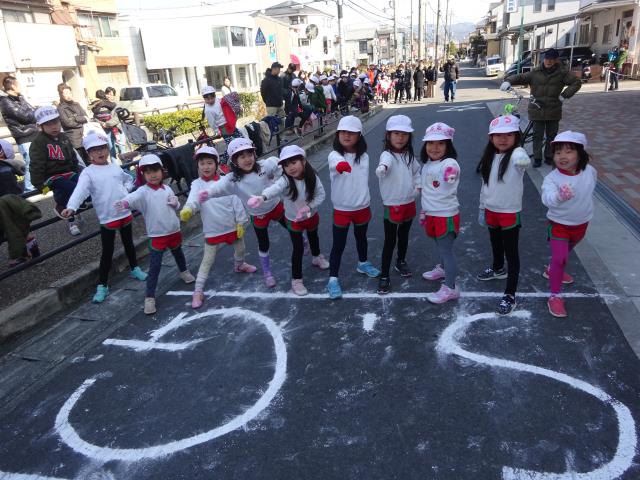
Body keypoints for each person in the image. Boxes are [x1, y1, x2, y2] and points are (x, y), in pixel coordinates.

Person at [62, 132, 147, 303]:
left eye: (102, 148)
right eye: (95, 150)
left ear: (108, 149)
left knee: (129, 244)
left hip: (125, 213)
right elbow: (80, 191)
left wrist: (126, 191)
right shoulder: (88, 173)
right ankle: (102, 285)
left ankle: (135, 268)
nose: (100, 152)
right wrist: (71, 207)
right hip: (107, 218)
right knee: (107, 252)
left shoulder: (115, 167)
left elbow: (127, 179)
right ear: (89, 154)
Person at [198, 138, 287, 288]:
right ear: (234, 160)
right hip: (258, 215)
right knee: (264, 243)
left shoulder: (264, 165)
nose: (247, 159)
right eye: (242, 156)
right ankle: (267, 273)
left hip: (276, 205)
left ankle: (304, 243)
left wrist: (277, 179)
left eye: (250, 154)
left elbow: (279, 166)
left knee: (293, 227)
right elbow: (219, 186)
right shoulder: (233, 179)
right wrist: (208, 193)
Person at [114, 154, 195, 315]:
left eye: (155, 171)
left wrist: (176, 203)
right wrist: (124, 203)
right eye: (148, 172)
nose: (152, 175)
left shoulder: (167, 188)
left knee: (178, 253)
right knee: (155, 266)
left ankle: (184, 271)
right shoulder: (143, 191)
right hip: (157, 236)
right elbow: (132, 197)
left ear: (162, 171)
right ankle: (149, 297)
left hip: (174, 230)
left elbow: (176, 204)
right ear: (142, 175)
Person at [179, 146, 256, 309]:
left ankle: (239, 265)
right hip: (212, 230)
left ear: (216, 164)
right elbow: (193, 199)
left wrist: (240, 222)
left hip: (231, 226)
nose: (206, 167)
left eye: (209, 163)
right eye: (202, 163)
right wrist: (188, 209)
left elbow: (236, 201)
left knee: (241, 249)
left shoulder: (226, 181)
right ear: (198, 166)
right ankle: (198, 290)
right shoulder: (197, 184)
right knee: (207, 260)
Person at [249, 145, 329, 296]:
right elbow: (275, 189)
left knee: (314, 237)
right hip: (294, 220)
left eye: (293, 162)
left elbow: (321, 194)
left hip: (311, 215)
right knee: (298, 248)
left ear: (303, 161)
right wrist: (262, 197)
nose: (290, 168)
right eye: (286, 165)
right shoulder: (285, 180)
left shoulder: (312, 176)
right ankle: (296, 280)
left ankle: (317, 257)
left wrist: (309, 207)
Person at [476, 115, 531, 315]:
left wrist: (522, 157)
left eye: (509, 135)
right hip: (491, 210)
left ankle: (510, 294)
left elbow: (521, 160)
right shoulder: (490, 157)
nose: (503, 139)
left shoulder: (517, 154)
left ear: (516, 136)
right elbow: (485, 185)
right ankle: (498, 269)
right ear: (491, 138)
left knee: (511, 253)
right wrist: (482, 207)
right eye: (498, 135)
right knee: (495, 244)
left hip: (509, 213)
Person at [541, 131, 596, 318]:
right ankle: (555, 296)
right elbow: (547, 198)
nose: (562, 156)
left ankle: (552, 269)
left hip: (581, 224)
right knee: (560, 258)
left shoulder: (590, 171)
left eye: (569, 151)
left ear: (580, 153)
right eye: (558, 152)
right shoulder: (552, 178)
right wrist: (559, 196)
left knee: (566, 252)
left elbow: (589, 191)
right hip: (559, 224)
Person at [326, 116, 380, 299]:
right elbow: (335, 164)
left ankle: (363, 263)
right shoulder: (334, 155)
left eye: (351, 132)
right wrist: (341, 165)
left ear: (359, 136)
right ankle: (333, 279)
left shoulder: (364, 156)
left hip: (362, 207)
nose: (346, 135)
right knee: (338, 245)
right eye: (343, 132)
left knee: (361, 238)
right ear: (338, 134)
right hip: (342, 209)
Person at [502, 47, 581, 168]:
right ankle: (537, 158)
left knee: (551, 136)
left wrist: (564, 95)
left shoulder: (562, 73)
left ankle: (549, 156)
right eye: (547, 59)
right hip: (537, 108)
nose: (548, 61)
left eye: (551, 59)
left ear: (556, 60)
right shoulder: (536, 72)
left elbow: (576, 82)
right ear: (544, 59)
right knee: (537, 136)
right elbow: (521, 77)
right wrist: (508, 81)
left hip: (553, 109)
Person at [375, 115, 420, 295]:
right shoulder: (387, 154)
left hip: (409, 202)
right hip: (392, 204)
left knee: (404, 236)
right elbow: (384, 164)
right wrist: (382, 169)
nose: (400, 137)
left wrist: (418, 186)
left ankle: (400, 261)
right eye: (396, 133)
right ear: (388, 135)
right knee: (390, 240)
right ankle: (384, 274)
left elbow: (417, 172)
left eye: (404, 134)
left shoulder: (409, 156)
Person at [419, 122, 461, 304]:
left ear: (448, 145)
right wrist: (424, 211)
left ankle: (451, 288)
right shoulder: (428, 164)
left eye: (440, 143)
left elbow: (451, 171)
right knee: (440, 246)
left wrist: (450, 174)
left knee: (446, 250)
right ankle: (443, 269)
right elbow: (428, 190)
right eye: (430, 143)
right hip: (432, 213)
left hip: (445, 215)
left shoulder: (449, 163)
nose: (434, 147)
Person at [29, 105, 83, 236]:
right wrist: (40, 185)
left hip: (68, 172)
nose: (53, 127)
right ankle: (68, 217)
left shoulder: (64, 137)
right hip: (52, 176)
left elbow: (72, 155)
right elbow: (36, 165)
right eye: (48, 124)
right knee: (69, 188)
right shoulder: (38, 142)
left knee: (82, 184)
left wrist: (77, 171)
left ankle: (77, 207)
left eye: (55, 122)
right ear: (41, 126)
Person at [0, 138, 41, 266]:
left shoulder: (4, 169)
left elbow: (6, 190)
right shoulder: (15, 166)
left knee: (16, 232)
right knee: (23, 231)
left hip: (7, 206)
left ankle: (21, 257)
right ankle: (33, 256)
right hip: (19, 202)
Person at [0, 76, 38, 192]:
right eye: (18, 84)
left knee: (37, 160)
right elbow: (25, 116)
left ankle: (37, 183)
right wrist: (33, 114)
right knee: (30, 162)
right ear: (12, 86)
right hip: (24, 136)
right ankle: (29, 188)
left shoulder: (20, 98)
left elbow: (33, 111)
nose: (21, 87)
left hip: (33, 133)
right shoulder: (5, 101)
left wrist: (33, 112)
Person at [201, 85, 242, 164]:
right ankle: (224, 161)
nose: (210, 100)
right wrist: (217, 131)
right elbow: (212, 123)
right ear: (204, 99)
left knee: (240, 138)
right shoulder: (208, 110)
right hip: (223, 128)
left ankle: (237, 157)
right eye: (207, 99)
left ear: (215, 96)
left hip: (229, 123)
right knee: (231, 144)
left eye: (212, 98)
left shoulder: (218, 100)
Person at [57, 83, 89, 162]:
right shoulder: (60, 108)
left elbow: (86, 117)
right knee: (81, 162)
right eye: (65, 93)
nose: (68, 95)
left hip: (84, 136)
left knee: (90, 160)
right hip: (73, 139)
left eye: (69, 92)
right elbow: (67, 123)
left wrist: (75, 118)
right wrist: (81, 121)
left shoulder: (76, 104)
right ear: (61, 95)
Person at [89, 89, 120, 159]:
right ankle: (115, 162)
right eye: (108, 94)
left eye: (111, 95)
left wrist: (102, 103)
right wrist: (101, 104)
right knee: (111, 146)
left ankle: (119, 162)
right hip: (105, 127)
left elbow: (114, 110)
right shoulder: (98, 103)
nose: (109, 96)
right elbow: (95, 113)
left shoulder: (109, 103)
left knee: (116, 146)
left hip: (112, 127)